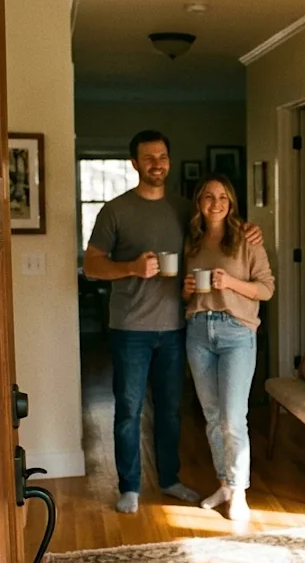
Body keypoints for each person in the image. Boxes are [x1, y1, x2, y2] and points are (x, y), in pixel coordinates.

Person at [84, 130, 263, 514]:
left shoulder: (186, 210)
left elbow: (220, 223)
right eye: (148, 158)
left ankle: (169, 479)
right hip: (130, 327)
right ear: (134, 163)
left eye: (162, 156)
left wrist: (250, 228)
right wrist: (132, 267)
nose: (157, 164)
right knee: (129, 409)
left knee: (170, 409)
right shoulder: (115, 211)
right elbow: (92, 264)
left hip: (179, 328)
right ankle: (129, 486)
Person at [181, 175, 274, 521]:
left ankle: (239, 491)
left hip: (237, 334)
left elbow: (266, 289)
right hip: (198, 331)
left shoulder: (247, 239)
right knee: (212, 417)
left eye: (222, 196)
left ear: (231, 202)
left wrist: (230, 281)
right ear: (199, 203)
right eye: (208, 196)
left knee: (234, 419)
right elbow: (184, 297)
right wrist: (188, 290)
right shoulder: (191, 241)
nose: (215, 202)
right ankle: (223, 483)